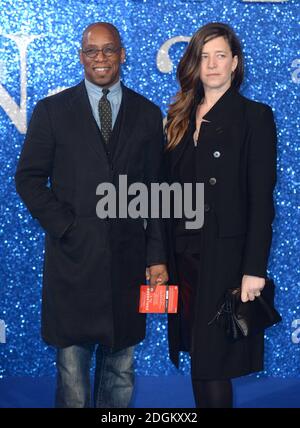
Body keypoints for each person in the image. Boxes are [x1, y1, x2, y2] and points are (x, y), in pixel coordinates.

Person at [15, 22, 168, 408]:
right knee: (73, 379)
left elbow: (155, 194)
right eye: (92, 51)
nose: (100, 58)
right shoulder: (52, 111)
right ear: (81, 56)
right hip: (72, 265)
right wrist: (66, 226)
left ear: (122, 54)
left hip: (127, 264)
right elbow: (29, 179)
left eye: (109, 50)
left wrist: (156, 257)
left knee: (120, 375)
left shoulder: (148, 115)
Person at [164, 22, 277, 408]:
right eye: (204, 56)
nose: (212, 64)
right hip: (184, 258)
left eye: (221, 56)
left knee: (213, 363)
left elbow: (261, 200)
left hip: (225, 260)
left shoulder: (254, 117)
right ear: (194, 63)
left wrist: (254, 269)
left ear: (235, 64)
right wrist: (158, 257)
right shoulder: (179, 116)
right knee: (198, 355)